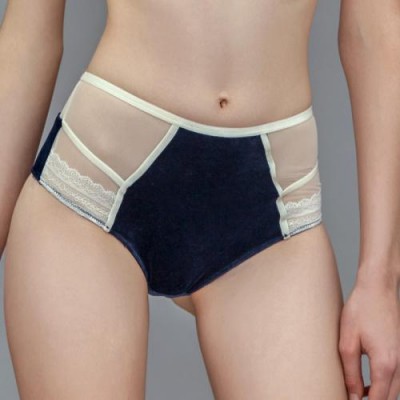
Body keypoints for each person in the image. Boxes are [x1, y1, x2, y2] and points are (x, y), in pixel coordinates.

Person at [1, 0, 399, 399]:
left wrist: (379, 281)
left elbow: (376, 30)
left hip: (273, 199)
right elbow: (28, 37)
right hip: (97, 175)